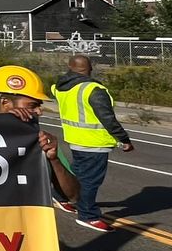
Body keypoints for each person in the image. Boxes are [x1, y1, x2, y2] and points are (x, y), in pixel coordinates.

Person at [51, 55, 134, 232]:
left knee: (76, 173)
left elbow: (54, 90)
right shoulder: (93, 89)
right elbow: (108, 119)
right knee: (90, 181)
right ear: (89, 69)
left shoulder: (60, 87)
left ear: (70, 68)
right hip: (94, 143)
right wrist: (124, 139)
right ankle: (88, 216)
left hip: (75, 139)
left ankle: (61, 196)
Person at [0, 65, 80, 208]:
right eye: (32, 105)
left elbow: (74, 195)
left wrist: (54, 159)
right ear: (5, 103)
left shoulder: (41, 141)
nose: (39, 111)